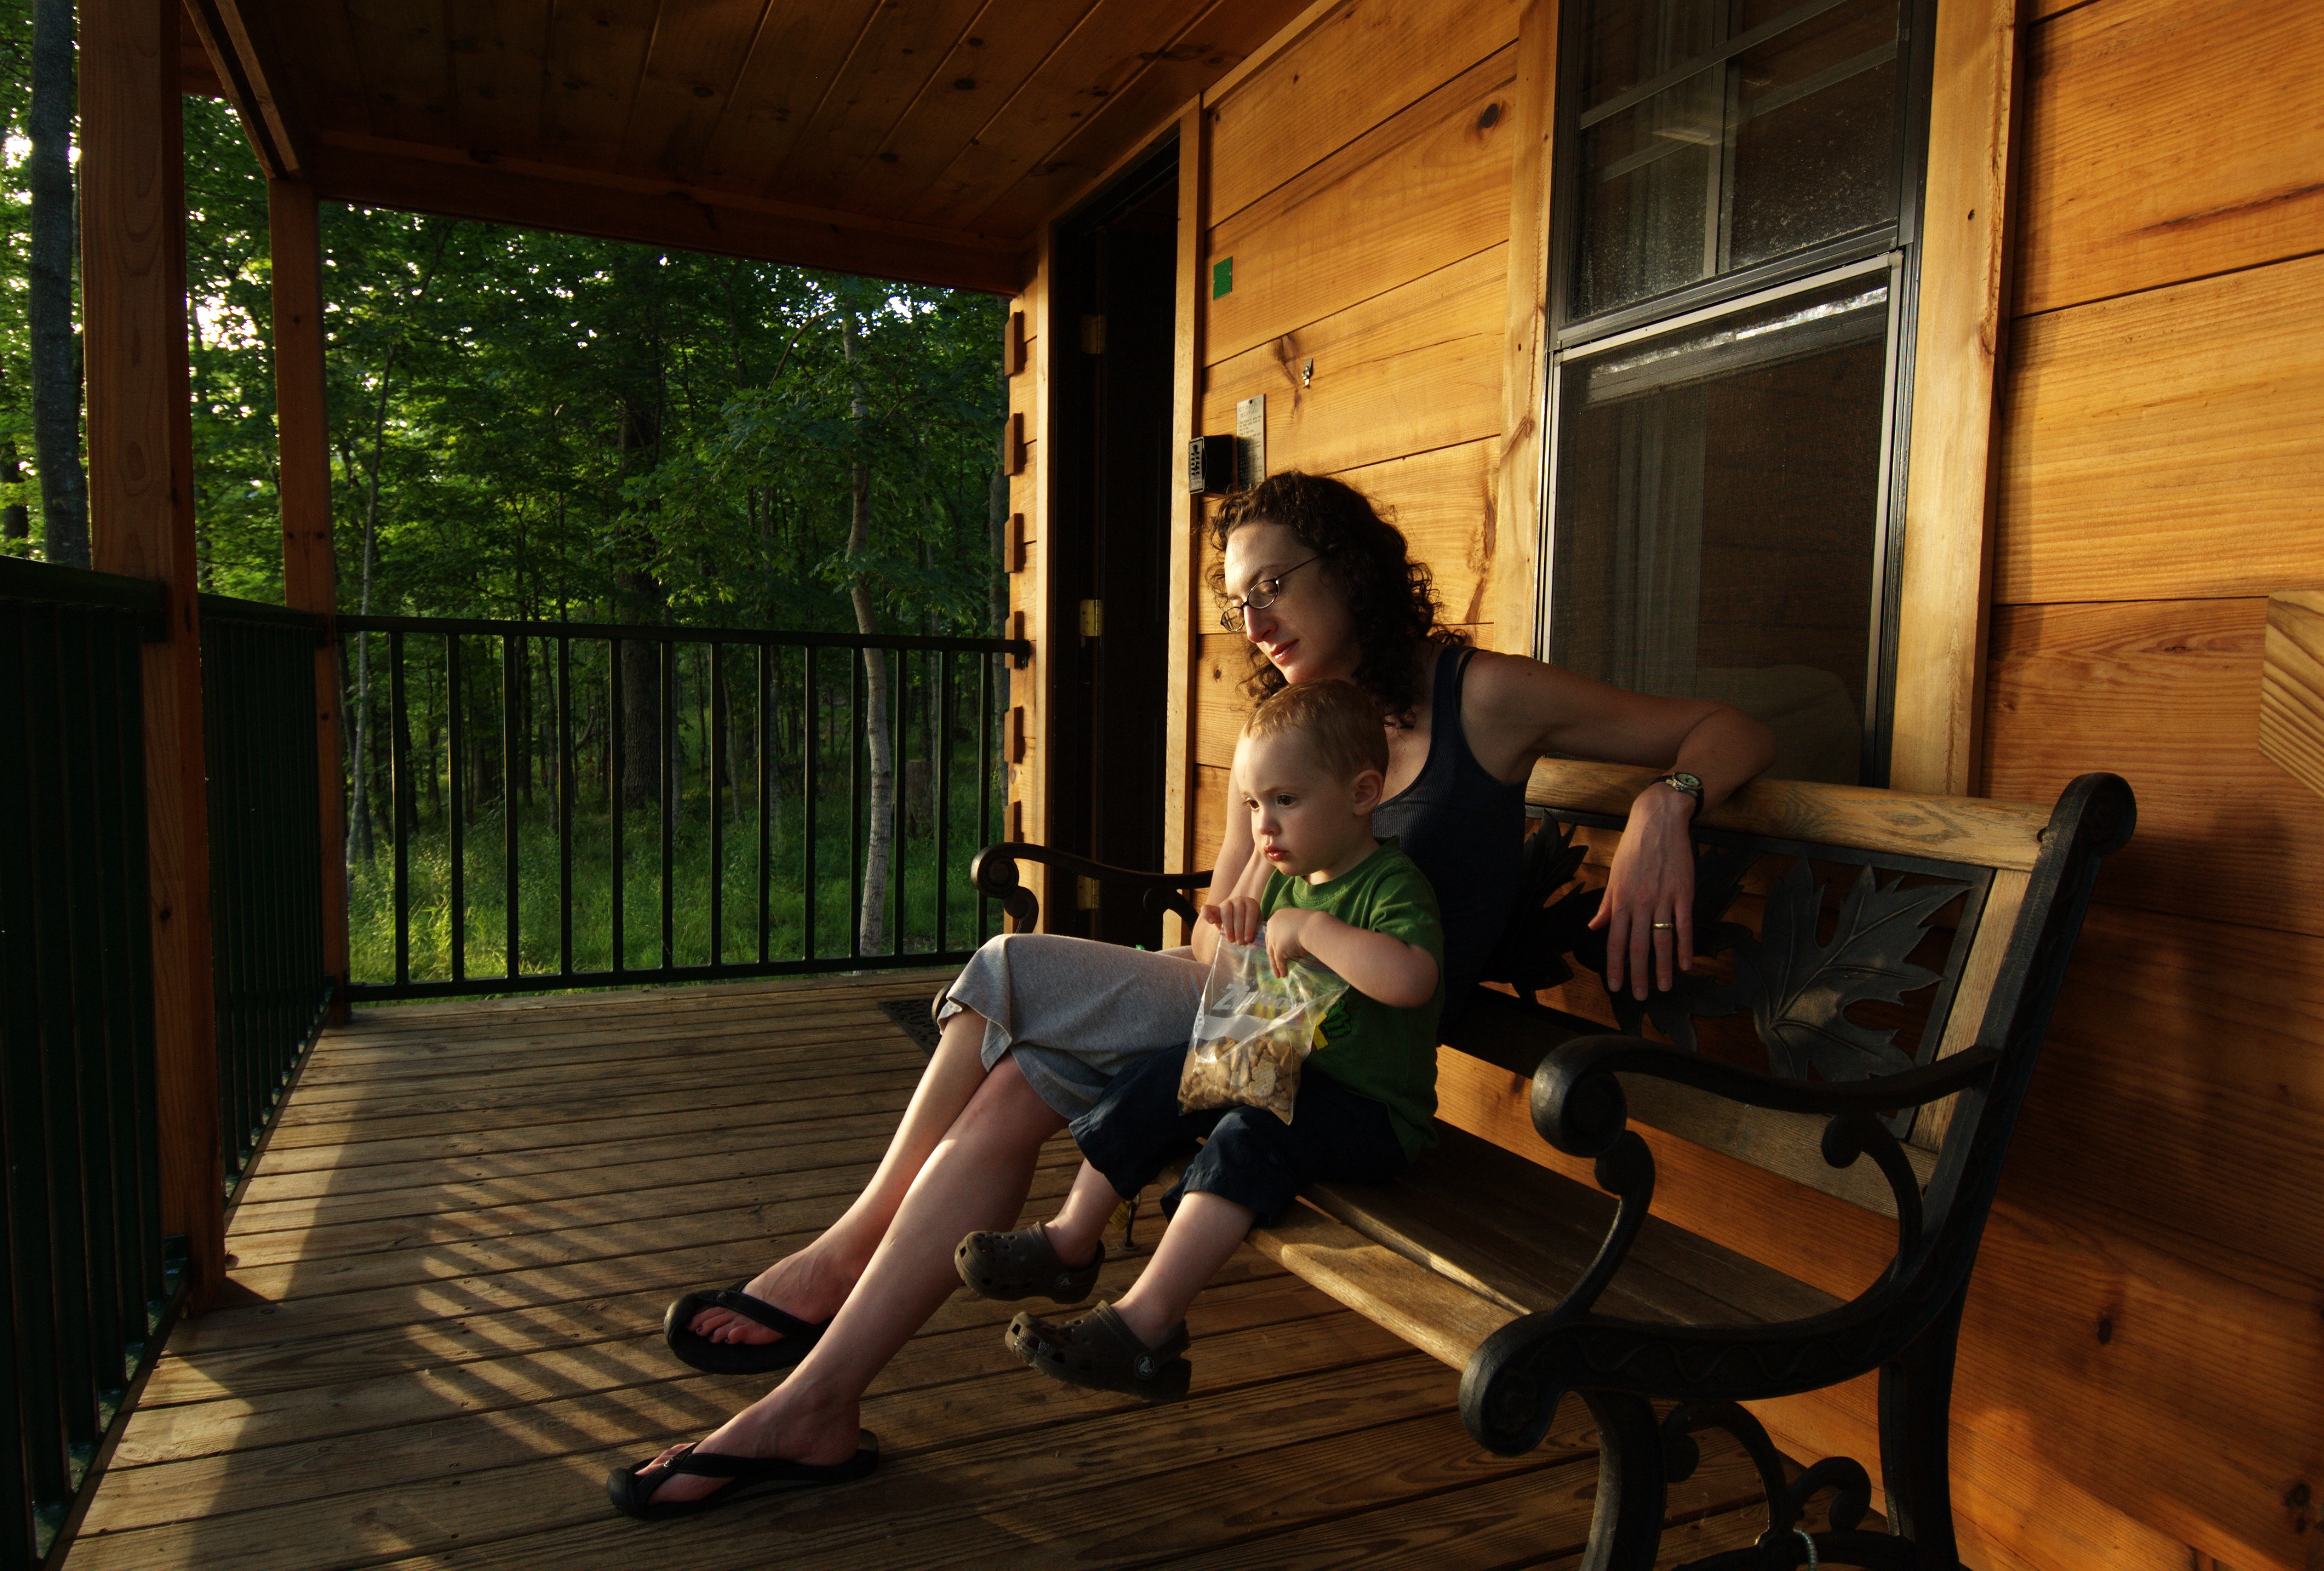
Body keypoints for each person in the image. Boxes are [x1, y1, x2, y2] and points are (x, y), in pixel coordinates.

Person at [608, 472, 1774, 1516]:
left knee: (1011, 976)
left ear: (1351, 571)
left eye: (1273, 585)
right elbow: (1224, 944)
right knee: (1014, 1081)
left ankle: (842, 1266)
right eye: (1237, 602)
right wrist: (1254, 906)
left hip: (1336, 1051)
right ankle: (815, 1406)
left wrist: (1665, 802)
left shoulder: (1482, 697)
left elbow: (1726, 727)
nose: (1254, 620)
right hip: (1253, 1018)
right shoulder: (1282, 736)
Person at [962, 679, 1443, 1401]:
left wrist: (1314, 932)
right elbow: (1229, 968)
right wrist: (1246, 924)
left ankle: (1147, 1327)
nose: (1263, 827)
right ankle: (1070, 1240)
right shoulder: (1285, 881)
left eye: (1284, 800)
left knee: (1246, 1136)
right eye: (1253, 805)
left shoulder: (1388, 886)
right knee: (1167, 1075)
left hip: (1368, 1113)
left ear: (1362, 792)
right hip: (1284, 1075)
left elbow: (1411, 980)